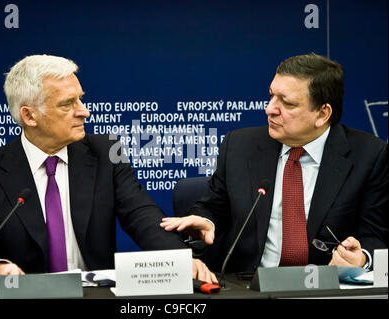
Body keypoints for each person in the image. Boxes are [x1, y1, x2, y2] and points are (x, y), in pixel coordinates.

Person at [0, 54, 217, 293]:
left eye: (80, 98)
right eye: (67, 104)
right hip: (29, 294)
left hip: (95, 294)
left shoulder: (106, 152)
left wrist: (180, 258)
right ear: (29, 116)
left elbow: (142, 216)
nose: (84, 111)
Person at [161, 53, 388, 273]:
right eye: (271, 96)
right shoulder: (239, 146)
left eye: (286, 103)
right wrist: (206, 221)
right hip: (249, 285)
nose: (270, 109)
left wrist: (361, 258)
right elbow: (212, 207)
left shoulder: (368, 155)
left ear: (322, 114)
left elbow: (376, 235)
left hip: (327, 287)